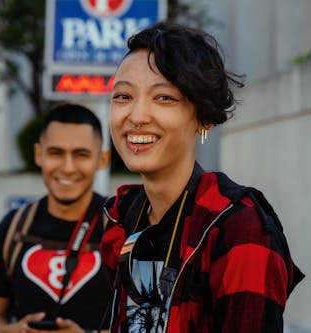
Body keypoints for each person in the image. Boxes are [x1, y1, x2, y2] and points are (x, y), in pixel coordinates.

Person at [100, 22, 304, 333]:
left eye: (164, 98)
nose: (137, 116)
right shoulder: (122, 218)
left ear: (204, 117)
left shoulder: (240, 231)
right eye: (123, 96)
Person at [0, 103, 112, 333]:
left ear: (102, 160)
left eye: (81, 154)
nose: (68, 168)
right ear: (38, 155)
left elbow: (147, 324)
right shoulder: (13, 227)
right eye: (56, 153)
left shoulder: (121, 226)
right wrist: (16, 331)